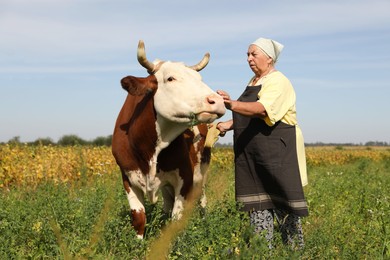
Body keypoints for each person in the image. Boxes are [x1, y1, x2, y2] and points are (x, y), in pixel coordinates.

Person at [216, 37, 309, 250]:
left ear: (269, 58)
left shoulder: (278, 81)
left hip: (277, 152)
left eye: (253, 54)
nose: (249, 59)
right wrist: (229, 124)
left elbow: (263, 110)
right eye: (247, 55)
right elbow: (250, 116)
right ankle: (260, 251)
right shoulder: (253, 81)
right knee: (258, 205)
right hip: (255, 154)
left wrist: (231, 104)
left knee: (283, 203)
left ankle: (295, 252)